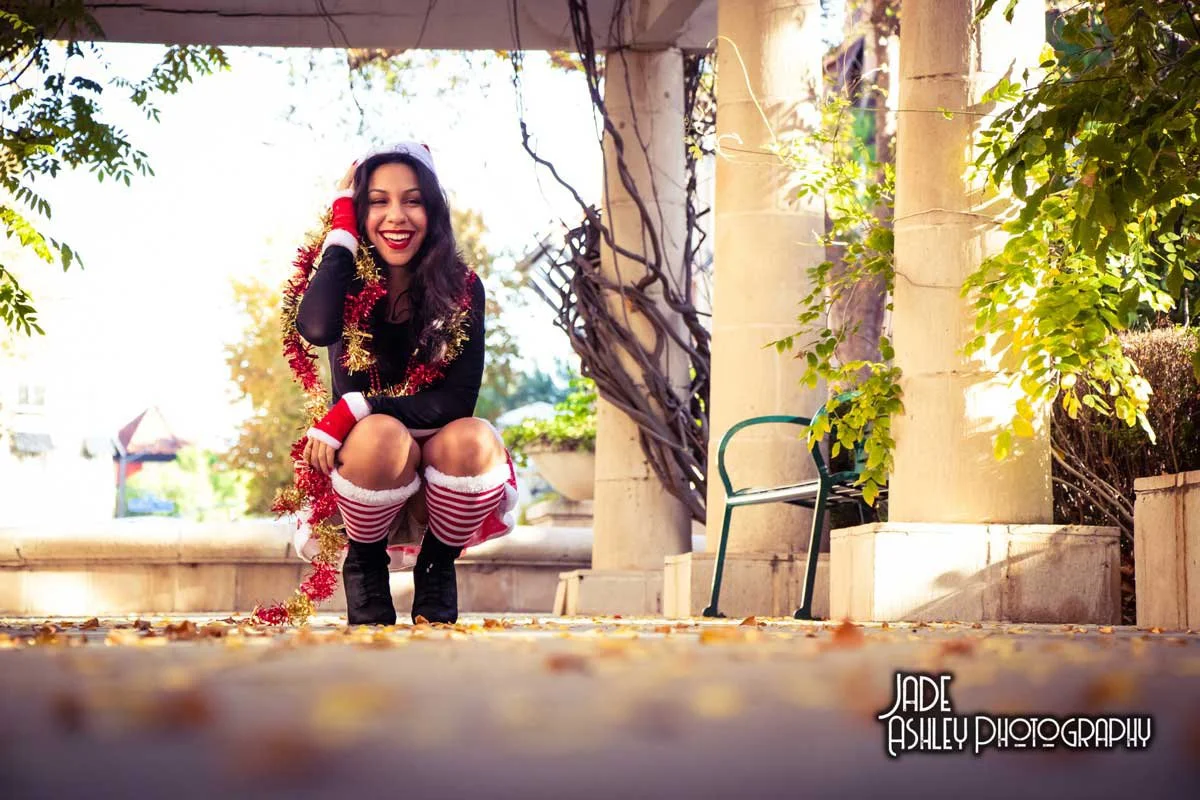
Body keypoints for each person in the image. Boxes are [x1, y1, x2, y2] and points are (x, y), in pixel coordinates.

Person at [294, 141, 518, 626]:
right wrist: (340, 231)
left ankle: (438, 565)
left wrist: (355, 407)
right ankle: (366, 562)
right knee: (380, 436)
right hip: (370, 464)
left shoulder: (462, 287)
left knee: (477, 438)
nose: (396, 216)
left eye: (412, 200)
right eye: (377, 201)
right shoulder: (349, 285)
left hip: (440, 456)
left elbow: (457, 400)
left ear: (432, 209)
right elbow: (314, 327)